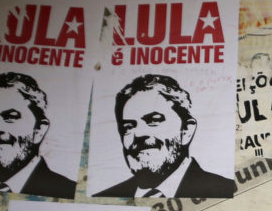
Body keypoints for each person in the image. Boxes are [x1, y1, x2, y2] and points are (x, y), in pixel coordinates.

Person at [94, 74, 236, 198]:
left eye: (154, 120)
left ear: (186, 130)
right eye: (129, 127)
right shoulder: (103, 199)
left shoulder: (227, 192)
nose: (139, 134)